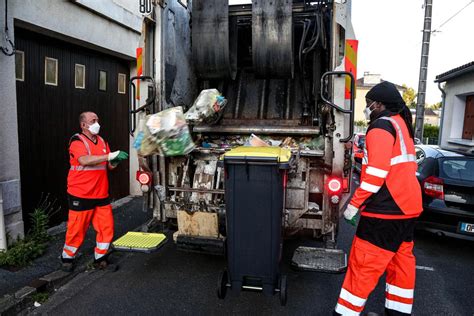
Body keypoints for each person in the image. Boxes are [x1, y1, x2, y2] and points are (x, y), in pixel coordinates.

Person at [334, 81, 423, 316]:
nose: (368, 108)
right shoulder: (401, 124)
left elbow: (375, 175)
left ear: (380, 104)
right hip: (408, 209)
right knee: (401, 266)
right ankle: (398, 312)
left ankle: (345, 313)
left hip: (386, 211)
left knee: (362, 268)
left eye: (369, 104)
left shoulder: (380, 128)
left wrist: (354, 205)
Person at [61, 112, 128, 272]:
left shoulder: (102, 141)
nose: (97, 122)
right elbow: (84, 160)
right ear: (83, 125)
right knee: (77, 229)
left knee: (106, 227)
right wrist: (109, 156)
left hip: (101, 193)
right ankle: (67, 258)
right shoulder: (77, 141)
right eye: (93, 120)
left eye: (98, 119)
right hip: (81, 193)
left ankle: (101, 258)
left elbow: (109, 165)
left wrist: (115, 161)